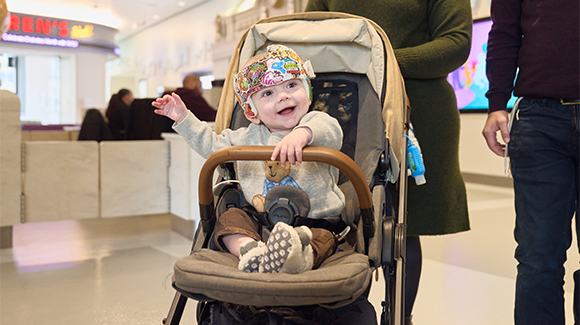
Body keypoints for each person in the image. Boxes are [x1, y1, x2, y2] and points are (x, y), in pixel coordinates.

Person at [305, 1, 472, 323]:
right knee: (341, 218)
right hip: (339, 109)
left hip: (417, 111)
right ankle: (349, 315)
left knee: (405, 226)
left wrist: (375, 62)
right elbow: (310, 32)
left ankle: (398, 317)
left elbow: (454, 44)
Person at [153, 44, 345, 274]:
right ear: (252, 112)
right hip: (260, 225)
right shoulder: (246, 137)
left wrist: (302, 135)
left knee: (325, 240)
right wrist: (184, 118)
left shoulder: (317, 121)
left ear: (307, 92)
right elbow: (212, 146)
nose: (283, 96)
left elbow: (332, 131)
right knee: (229, 220)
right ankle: (250, 251)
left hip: (314, 224)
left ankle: (298, 259)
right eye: (268, 93)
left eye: (292, 85)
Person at [482, 0, 580, 322]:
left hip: (541, 122)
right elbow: (505, 31)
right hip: (539, 119)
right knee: (538, 258)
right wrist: (497, 101)